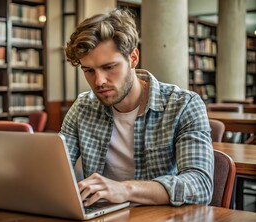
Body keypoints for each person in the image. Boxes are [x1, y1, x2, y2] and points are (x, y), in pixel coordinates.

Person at [61, 8, 214, 207]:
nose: (99, 81)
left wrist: (124, 190)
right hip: (102, 220)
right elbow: (54, 172)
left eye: (109, 67)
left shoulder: (184, 105)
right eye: (89, 71)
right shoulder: (83, 107)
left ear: (133, 58)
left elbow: (200, 186)